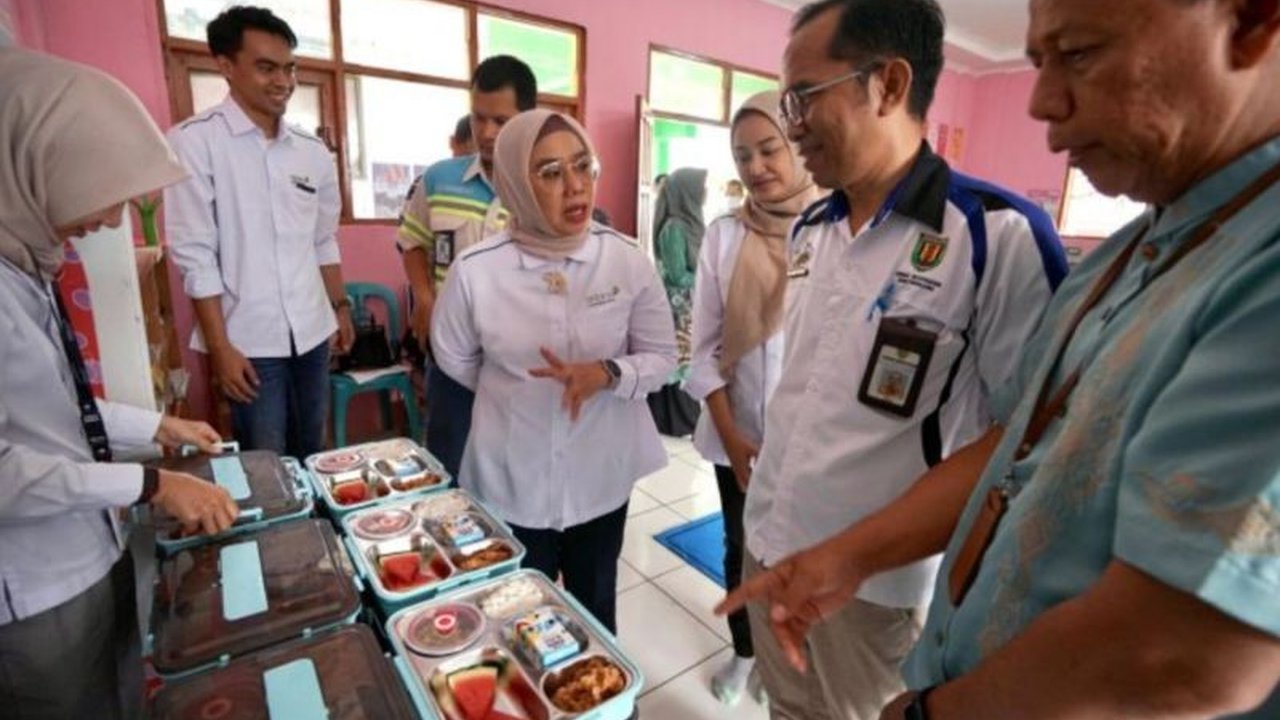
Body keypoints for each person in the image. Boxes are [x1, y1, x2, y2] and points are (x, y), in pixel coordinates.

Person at [720, 0, 1280, 717]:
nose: (1042, 104)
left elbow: (1179, 654)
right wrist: (835, 554)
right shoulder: (1128, 256)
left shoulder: (998, 234)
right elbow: (1020, 449)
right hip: (807, 557)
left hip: (905, 622)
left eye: (1077, 54)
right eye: (1039, 61)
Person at [733, 1, 1069, 718]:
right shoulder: (813, 229)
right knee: (788, 709)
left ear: (886, 84)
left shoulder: (993, 235)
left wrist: (855, 556)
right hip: (769, 542)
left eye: (804, 97)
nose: (790, 124)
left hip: (874, 587)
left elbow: (1026, 440)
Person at [0, 47, 242, 719]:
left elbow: (55, 409)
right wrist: (153, 482)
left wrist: (155, 428)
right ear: (37, 161)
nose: (108, 221)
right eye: (100, 194)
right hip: (28, 590)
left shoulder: (25, 262)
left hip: (87, 547)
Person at [431, 110, 677, 632]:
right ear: (517, 181)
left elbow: (663, 359)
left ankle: (608, 712)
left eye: (582, 166)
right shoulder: (477, 272)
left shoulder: (627, 261)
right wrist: (516, 394)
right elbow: (454, 359)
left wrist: (608, 373)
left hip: (599, 478)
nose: (574, 186)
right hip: (509, 480)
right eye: (549, 172)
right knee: (520, 619)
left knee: (594, 611)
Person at [165, 6, 353, 460]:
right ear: (226, 67)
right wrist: (219, 346)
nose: (283, 82)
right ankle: (279, 531)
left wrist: (340, 308)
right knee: (266, 458)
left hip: (312, 330)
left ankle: (318, 531)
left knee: (314, 448)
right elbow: (195, 256)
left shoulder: (311, 152)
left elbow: (322, 239)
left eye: (289, 68)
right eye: (266, 68)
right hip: (246, 339)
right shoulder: (195, 142)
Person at [685, 89, 822, 706]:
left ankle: (786, 659)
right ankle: (746, 655)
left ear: (796, 145)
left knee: (805, 551)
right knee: (744, 549)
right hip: (733, 431)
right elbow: (704, 347)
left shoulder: (835, 227)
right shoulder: (723, 236)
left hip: (814, 442)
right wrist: (733, 438)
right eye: (743, 156)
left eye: (770, 149)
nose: (757, 167)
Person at [397, 54, 537, 478]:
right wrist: (423, 297)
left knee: (513, 473)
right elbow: (412, 241)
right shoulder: (439, 179)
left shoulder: (545, 186)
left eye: (501, 120)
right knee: (448, 464)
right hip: (451, 354)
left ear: (527, 118)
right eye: (479, 119)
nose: (488, 133)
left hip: (518, 362)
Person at [649, 167, 708, 437]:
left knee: (686, 363)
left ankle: (680, 419)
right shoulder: (674, 227)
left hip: (689, 306)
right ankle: (676, 420)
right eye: (700, 187)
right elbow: (676, 275)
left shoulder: (691, 222)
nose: (705, 192)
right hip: (678, 308)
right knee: (678, 363)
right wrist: (707, 278)